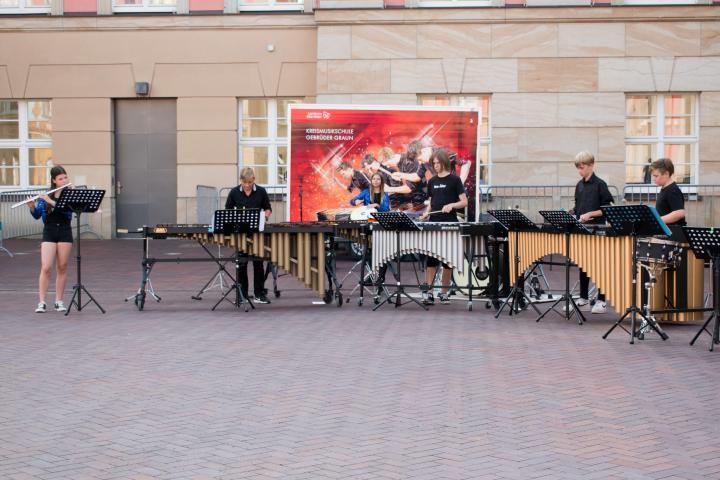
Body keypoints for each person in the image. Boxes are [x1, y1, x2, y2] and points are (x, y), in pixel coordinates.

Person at [419, 149, 468, 305]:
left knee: (448, 260)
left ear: (444, 162)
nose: (435, 166)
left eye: (437, 163)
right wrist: (426, 213)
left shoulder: (455, 180)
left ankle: (444, 293)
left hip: (450, 223)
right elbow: (431, 202)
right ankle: (429, 293)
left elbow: (464, 201)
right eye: (434, 163)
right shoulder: (432, 181)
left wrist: (452, 205)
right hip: (434, 222)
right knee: (431, 259)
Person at [572, 151, 615, 314]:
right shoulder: (579, 185)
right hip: (582, 230)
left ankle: (601, 300)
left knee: (600, 267)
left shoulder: (600, 185)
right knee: (584, 265)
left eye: (582, 167)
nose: (580, 171)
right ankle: (583, 297)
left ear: (591, 165)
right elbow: (578, 206)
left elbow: (608, 208)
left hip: (598, 231)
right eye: (578, 168)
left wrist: (590, 214)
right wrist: (574, 212)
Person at [28, 165, 73, 313]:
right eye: (61, 178)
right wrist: (32, 207)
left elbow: (67, 211)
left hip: (65, 230)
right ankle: (42, 302)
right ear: (54, 180)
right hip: (50, 230)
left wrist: (51, 201)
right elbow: (37, 216)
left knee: (62, 266)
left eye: (65, 177)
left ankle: (59, 301)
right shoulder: (46, 195)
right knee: (46, 267)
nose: (64, 180)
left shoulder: (70, 194)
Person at [225, 167, 273, 304]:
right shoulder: (234, 192)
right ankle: (243, 294)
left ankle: (259, 294)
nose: (247, 185)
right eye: (245, 182)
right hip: (241, 234)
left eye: (250, 182)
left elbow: (268, 208)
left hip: (257, 233)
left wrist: (265, 217)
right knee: (242, 264)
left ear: (254, 180)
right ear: (241, 180)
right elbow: (228, 210)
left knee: (258, 264)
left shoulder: (261, 191)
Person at [651, 158, 686, 226]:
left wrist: (657, 220)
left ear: (666, 174)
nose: (653, 179)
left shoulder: (673, 190)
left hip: (674, 233)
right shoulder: (665, 188)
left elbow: (679, 213)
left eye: (656, 176)